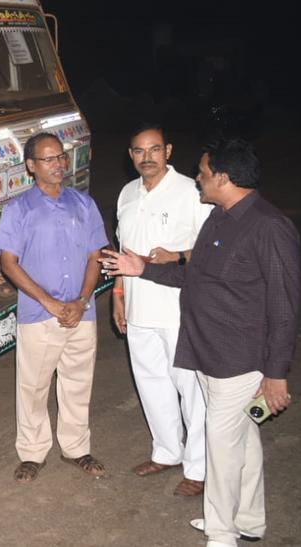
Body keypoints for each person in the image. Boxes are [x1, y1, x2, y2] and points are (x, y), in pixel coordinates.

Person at [102, 139, 299, 545]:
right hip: (206, 349)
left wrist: (276, 375)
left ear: (224, 178)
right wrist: (141, 270)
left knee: (221, 448)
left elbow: (283, 309)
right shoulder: (219, 218)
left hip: (239, 360)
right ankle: (248, 520)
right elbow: (193, 277)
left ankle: (222, 535)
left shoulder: (269, 226)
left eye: (205, 172)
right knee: (244, 441)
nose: (199, 178)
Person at [0, 132, 109, 482]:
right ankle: (32, 451)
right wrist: (51, 302)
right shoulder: (19, 208)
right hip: (40, 314)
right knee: (34, 387)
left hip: (81, 312)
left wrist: (82, 300)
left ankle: (76, 448)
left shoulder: (84, 204)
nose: (58, 164)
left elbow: (95, 256)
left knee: (77, 382)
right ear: (31, 166)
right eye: (49, 159)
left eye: (61, 157)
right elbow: (8, 263)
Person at [113, 126, 211, 496]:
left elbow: (212, 250)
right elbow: (124, 250)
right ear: (131, 154)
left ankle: (199, 469)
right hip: (139, 310)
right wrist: (119, 293)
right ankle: (168, 451)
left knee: (192, 391)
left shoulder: (191, 191)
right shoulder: (126, 194)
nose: (147, 157)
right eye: (139, 151)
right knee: (151, 384)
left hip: (179, 310)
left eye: (155, 149)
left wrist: (179, 255)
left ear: (168, 150)